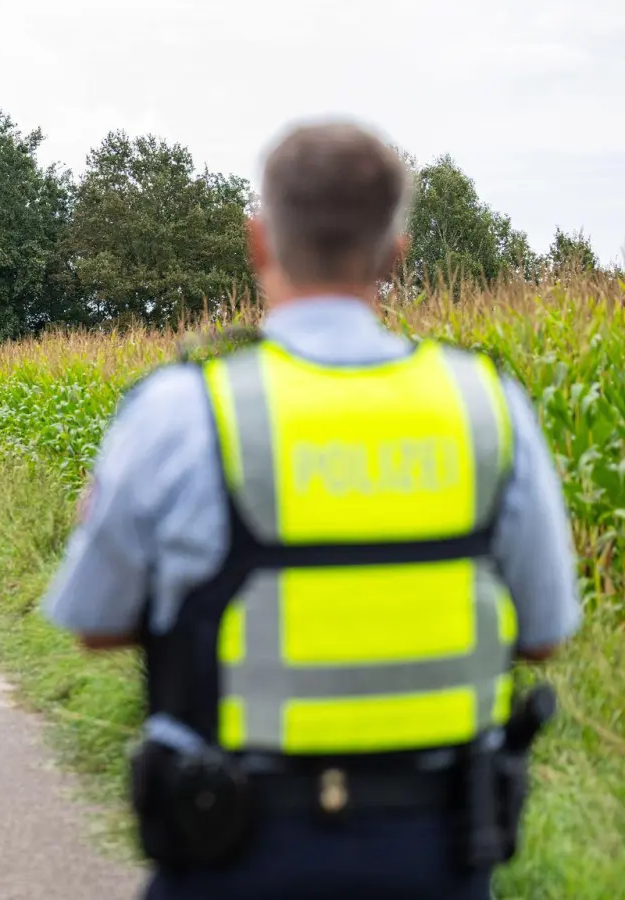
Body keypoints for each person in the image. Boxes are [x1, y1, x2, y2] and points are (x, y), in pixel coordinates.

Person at [40, 120, 581, 900]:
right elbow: (544, 637)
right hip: (438, 854)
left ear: (259, 243)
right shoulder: (488, 408)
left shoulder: (184, 410)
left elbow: (96, 623)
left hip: (232, 848)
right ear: (396, 257)